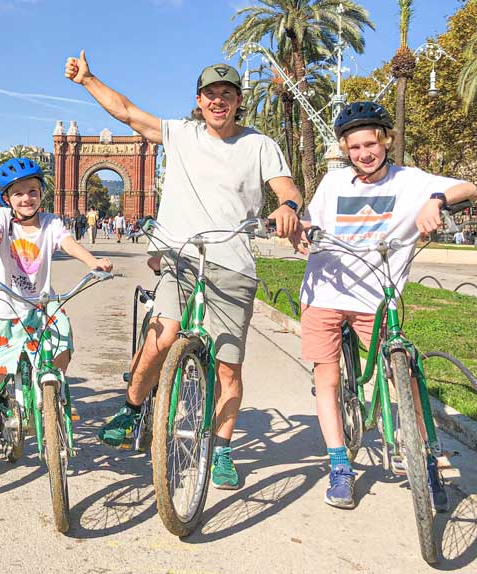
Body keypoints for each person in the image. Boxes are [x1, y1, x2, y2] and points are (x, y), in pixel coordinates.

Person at [66, 52, 301, 489]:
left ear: (238, 101)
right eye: (211, 94)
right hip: (182, 257)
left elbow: (286, 186)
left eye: (227, 94)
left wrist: (288, 205)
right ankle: (132, 407)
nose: (218, 101)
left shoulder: (259, 145)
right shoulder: (179, 134)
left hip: (232, 264)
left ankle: (223, 449)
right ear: (199, 100)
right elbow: (127, 113)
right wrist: (88, 79)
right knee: (163, 334)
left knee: (229, 368)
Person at [294, 102, 477, 509]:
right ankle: (340, 465)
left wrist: (436, 200)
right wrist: (301, 231)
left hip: (376, 298)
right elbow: (312, 223)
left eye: (371, 143)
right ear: (345, 148)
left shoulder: (411, 180)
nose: (364, 153)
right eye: (355, 146)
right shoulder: (333, 182)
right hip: (325, 291)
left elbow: (469, 187)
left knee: (404, 373)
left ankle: (424, 458)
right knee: (326, 377)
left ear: (386, 141)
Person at [0, 158, 113, 479]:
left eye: (32, 191)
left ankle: (52, 392)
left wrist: (92, 261)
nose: (26, 198)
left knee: (63, 344)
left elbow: (68, 243)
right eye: (18, 193)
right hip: (5, 309)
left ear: (42, 192)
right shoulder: (2, 218)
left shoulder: (51, 222)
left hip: (42, 306)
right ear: (6, 199)